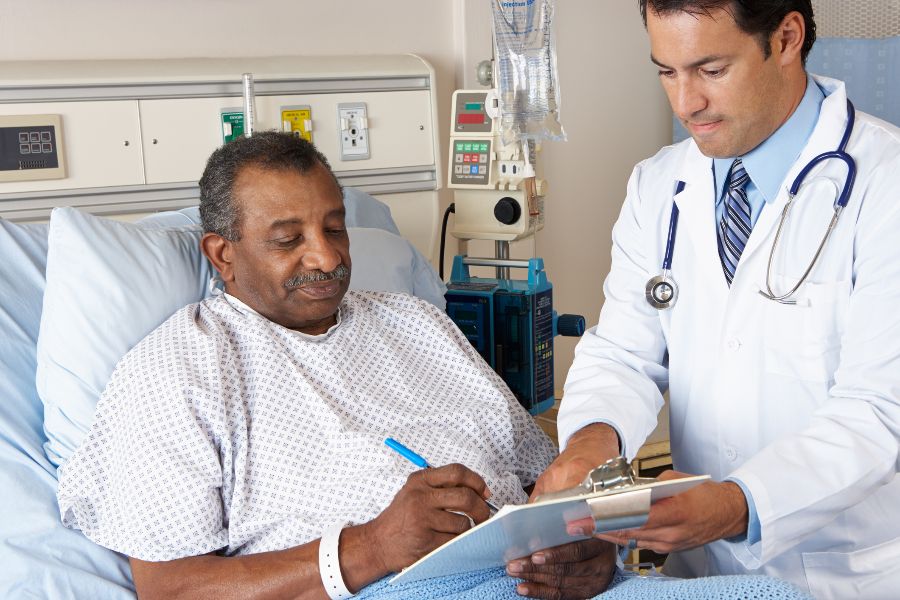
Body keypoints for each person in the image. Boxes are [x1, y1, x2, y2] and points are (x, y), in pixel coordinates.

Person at [56, 131, 627, 600]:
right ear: (222, 254)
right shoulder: (178, 371)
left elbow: (545, 482)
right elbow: (171, 589)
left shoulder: (418, 325)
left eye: (334, 228)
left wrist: (589, 548)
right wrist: (372, 546)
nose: (326, 257)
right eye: (288, 240)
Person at [527, 1, 900, 597]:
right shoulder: (659, 184)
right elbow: (625, 354)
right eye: (666, 72)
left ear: (786, 38)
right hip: (693, 578)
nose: (685, 104)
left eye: (711, 70)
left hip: (844, 573)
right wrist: (593, 438)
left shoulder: (887, 183)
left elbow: (880, 410)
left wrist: (737, 504)